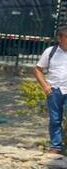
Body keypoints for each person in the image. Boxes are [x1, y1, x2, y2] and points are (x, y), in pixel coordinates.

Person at [34, 26, 67, 155]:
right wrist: (45, 86)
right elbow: (38, 70)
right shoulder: (50, 52)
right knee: (55, 119)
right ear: (60, 38)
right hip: (55, 91)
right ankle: (56, 147)